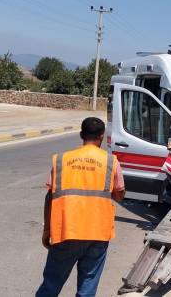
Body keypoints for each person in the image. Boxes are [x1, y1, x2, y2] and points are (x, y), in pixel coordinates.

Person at [36, 117, 125, 297]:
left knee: (51, 284)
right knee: (87, 286)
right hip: (97, 234)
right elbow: (119, 195)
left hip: (66, 231)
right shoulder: (111, 162)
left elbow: (50, 198)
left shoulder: (61, 160)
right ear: (101, 136)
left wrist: (47, 230)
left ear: (81, 135)